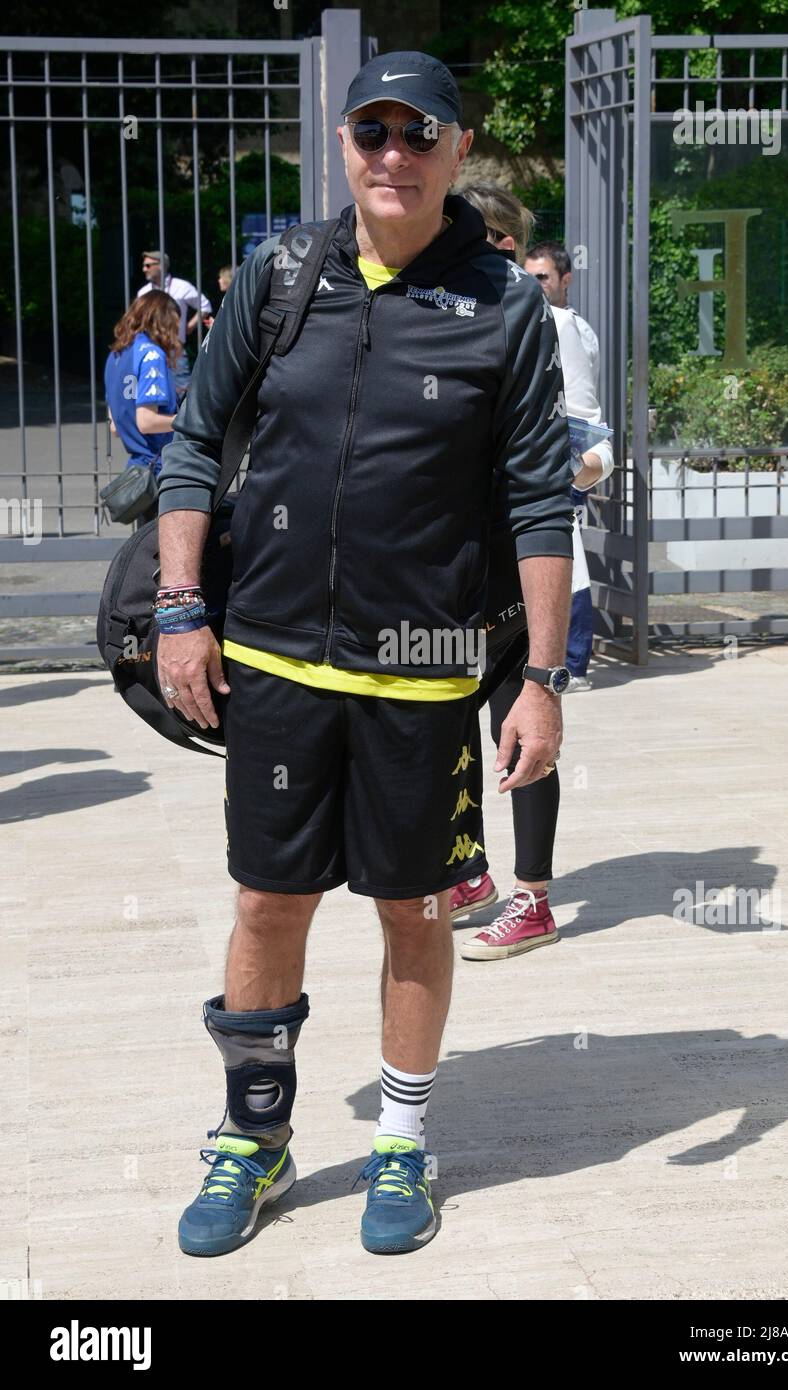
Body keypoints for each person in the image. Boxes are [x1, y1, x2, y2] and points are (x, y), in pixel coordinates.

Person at [154, 49, 574, 1258]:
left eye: (417, 133)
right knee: (268, 898)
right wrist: (183, 609)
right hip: (275, 659)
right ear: (344, 144)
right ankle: (253, 1134)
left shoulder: (501, 304)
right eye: (370, 132)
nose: (393, 154)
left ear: (455, 148)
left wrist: (541, 681)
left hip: (428, 670)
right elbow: (193, 442)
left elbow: (542, 499)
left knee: (412, 908)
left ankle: (402, 1138)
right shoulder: (284, 273)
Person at [451, 192, 614, 960]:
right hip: (446, 563)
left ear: (506, 243)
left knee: (519, 723)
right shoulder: (433, 313)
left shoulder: (552, 326)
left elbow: (596, 451)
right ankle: (470, 873)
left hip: (523, 560)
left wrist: (544, 479)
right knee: (442, 718)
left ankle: (534, 898)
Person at [525, 241, 615, 689]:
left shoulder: (571, 328)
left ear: (565, 279)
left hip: (562, 457)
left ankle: (574, 661)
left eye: (542, 277)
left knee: (566, 555)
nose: (535, 285)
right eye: (530, 276)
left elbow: (584, 409)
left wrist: (581, 462)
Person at [104, 291, 180, 525]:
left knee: (145, 551)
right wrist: (186, 418)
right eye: (175, 323)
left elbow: (114, 425)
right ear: (163, 319)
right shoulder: (151, 355)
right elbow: (146, 421)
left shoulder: (117, 355)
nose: (178, 332)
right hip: (161, 468)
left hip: (139, 471)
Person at [137, 250, 212, 395]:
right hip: (150, 349)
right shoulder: (143, 292)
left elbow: (205, 305)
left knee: (182, 394)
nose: (144, 269)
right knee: (153, 393)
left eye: (148, 265)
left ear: (160, 266)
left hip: (174, 350)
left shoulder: (181, 286)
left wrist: (188, 327)